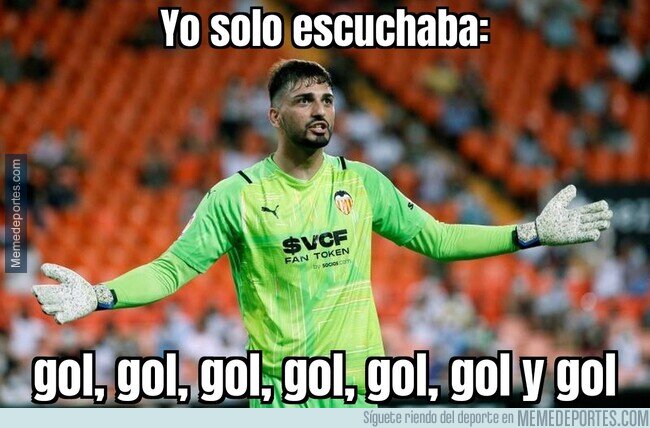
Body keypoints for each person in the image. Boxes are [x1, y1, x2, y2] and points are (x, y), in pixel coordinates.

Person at [32, 59, 613, 408]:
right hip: (282, 398)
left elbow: (436, 239)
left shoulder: (362, 182)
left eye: (328, 100)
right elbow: (170, 270)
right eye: (304, 99)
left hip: (361, 391)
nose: (320, 109)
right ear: (273, 116)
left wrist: (530, 232)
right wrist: (100, 294)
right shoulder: (236, 196)